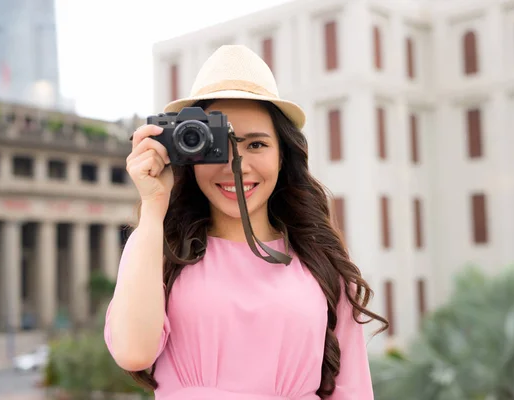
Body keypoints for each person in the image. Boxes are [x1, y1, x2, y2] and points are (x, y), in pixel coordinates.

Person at [104, 44, 388, 400]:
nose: (236, 164)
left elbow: (353, 392)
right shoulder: (156, 248)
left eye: (256, 145)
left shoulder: (323, 265)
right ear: (187, 156)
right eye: (217, 146)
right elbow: (132, 352)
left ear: (283, 156)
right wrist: (152, 205)